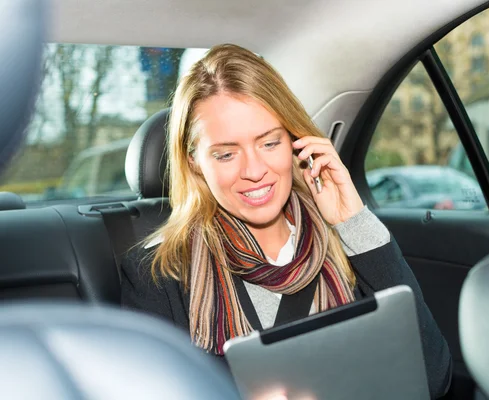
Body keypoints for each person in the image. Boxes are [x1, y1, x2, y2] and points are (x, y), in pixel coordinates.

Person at [121, 43, 453, 398]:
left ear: (296, 141)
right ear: (195, 163)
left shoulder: (347, 243)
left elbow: (431, 378)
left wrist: (353, 222)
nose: (254, 171)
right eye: (227, 153)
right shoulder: (157, 274)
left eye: (269, 143)